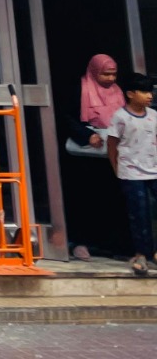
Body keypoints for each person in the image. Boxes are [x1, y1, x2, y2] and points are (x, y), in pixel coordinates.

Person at [61, 53, 129, 260]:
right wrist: (87, 135)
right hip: (86, 156)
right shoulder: (80, 89)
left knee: (112, 199)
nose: (110, 79)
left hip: (111, 153)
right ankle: (81, 243)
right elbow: (66, 116)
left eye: (113, 74)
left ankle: (110, 245)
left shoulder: (118, 92)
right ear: (94, 72)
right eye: (105, 74)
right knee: (86, 199)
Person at [106, 73, 157, 276]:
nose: (149, 96)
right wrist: (118, 169)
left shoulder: (154, 116)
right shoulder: (120, 117)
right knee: (139, 214)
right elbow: (112, 145)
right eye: (144, 91)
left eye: (150, 91)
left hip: (154, 169)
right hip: (131, 172)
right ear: (130, 94)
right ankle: (141, 254)